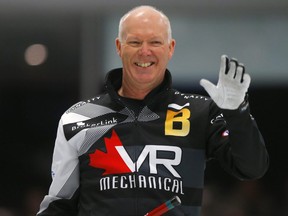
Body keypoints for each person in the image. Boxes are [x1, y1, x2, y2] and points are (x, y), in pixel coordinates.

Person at [37, 5, 269, 216]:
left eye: (155, 43)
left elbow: (252, 168)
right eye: (135, 42)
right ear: (119, 47)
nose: (145, 51)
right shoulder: (78, 118)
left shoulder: (199, 112)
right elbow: (59, 204)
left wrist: (237, 112)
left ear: (170, 48)